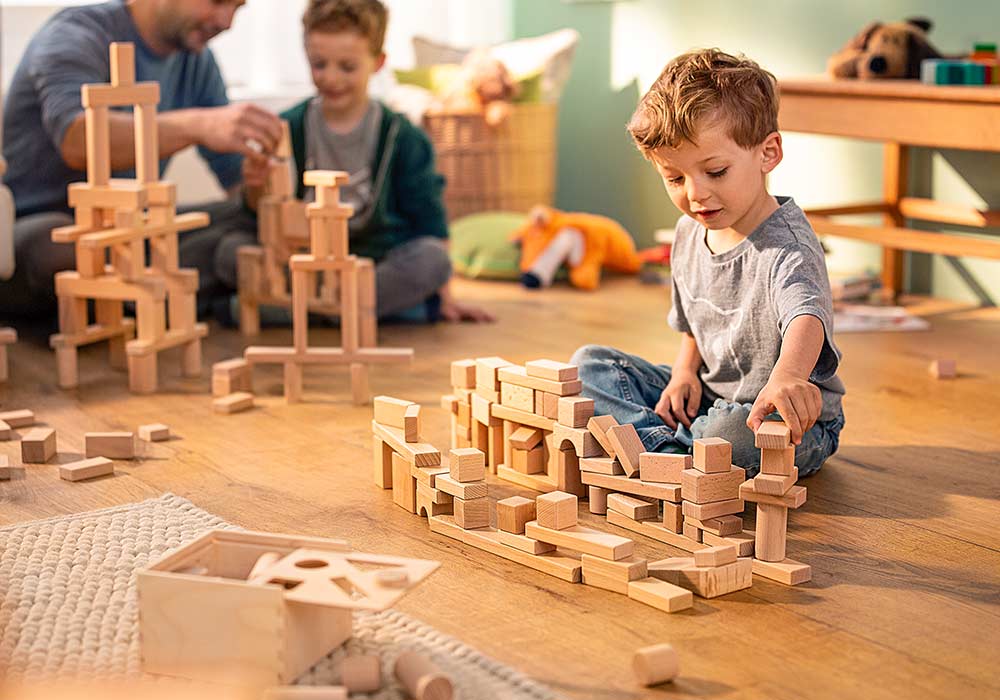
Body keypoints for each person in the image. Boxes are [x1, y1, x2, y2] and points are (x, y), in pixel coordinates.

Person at [571, 49, 845, 475]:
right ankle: (674, 454)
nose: (695, 194)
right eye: (675, 178)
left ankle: (665, 451)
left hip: (782, 417)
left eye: (715, 172)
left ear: (767, 153)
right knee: (587, 367)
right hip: (711, 395)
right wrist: (682, 374)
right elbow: (696, 324)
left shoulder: (788, 245)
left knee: (734, 435)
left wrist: (789, 375)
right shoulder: (687, 233)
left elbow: (806, 315)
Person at [216, 0, 493, 323]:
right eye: (319, 64)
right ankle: (354, 312)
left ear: (377, 63)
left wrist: (446, 298)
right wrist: (255, 186)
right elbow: (259, 214)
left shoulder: (403, 136)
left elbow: (429, 223)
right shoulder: (286, 127)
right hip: (304, 264)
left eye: (347, 67)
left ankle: (301, 311)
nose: (331, 78)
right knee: (229, 252)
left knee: (432, 259)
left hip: (372, 264)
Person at [0, 0, 283, 316]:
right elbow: (77, 141)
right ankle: (162, 294)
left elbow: (236, 185)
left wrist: (258, 190)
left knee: (246, 220)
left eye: (237, 8)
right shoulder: (75, 35)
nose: (227, 21)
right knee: (58, 251)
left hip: (134, 226)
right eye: (217, 2)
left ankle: (143, 296)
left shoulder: (196, 62)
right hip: (46, 222)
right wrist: (198, 124)